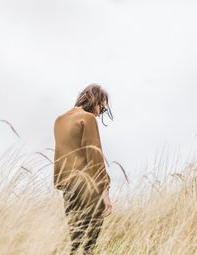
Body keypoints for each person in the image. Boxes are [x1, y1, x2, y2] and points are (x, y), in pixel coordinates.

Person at [53, 84, 113, 255]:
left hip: (68, 188)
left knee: (76, 240)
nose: (99, 112)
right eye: (101, 107)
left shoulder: (59, 120)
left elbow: (60, 156)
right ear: (95, 99)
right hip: (88, 187)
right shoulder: (87, 118)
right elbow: (94, 156)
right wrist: (105, 191)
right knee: (89, 245)